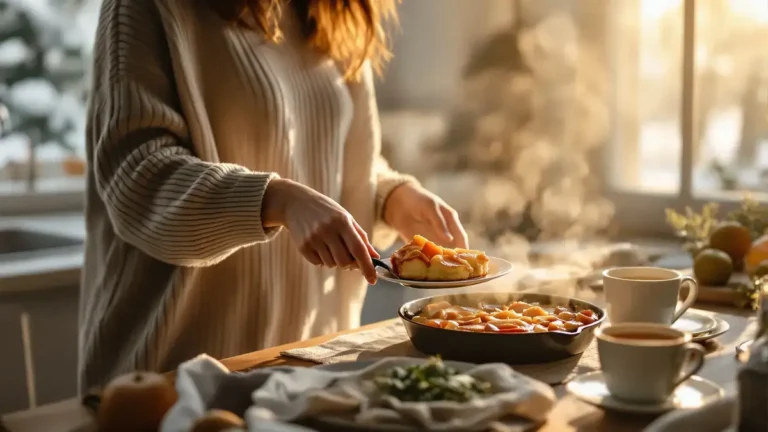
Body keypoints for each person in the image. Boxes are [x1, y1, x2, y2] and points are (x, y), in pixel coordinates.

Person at [78, 0, 468, 392]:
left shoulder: (337, 10)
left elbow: (332, 154)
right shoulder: (144, 8)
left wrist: (389, 198)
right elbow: (135, 176)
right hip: (172, 379)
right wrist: (275, 200)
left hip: (308, 366)